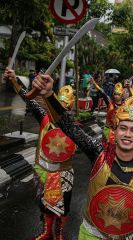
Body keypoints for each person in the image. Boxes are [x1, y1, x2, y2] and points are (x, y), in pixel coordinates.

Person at [30, 74, 133, 240]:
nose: (127, 134)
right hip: (89, 235)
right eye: (123, 128)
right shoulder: (100, 152)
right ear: (115, 130)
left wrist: (120, 216)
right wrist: (49, 95)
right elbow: (69, 127)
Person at [4, 69, 76, 240]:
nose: (57, 110)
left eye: (63, 107)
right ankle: (46, 230)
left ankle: (58, 233)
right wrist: (14, 80)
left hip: (63, 172)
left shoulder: (73, 127)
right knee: (43, 202)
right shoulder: (44, 118)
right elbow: (26, 97)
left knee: (63, 205)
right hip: (43, 169)